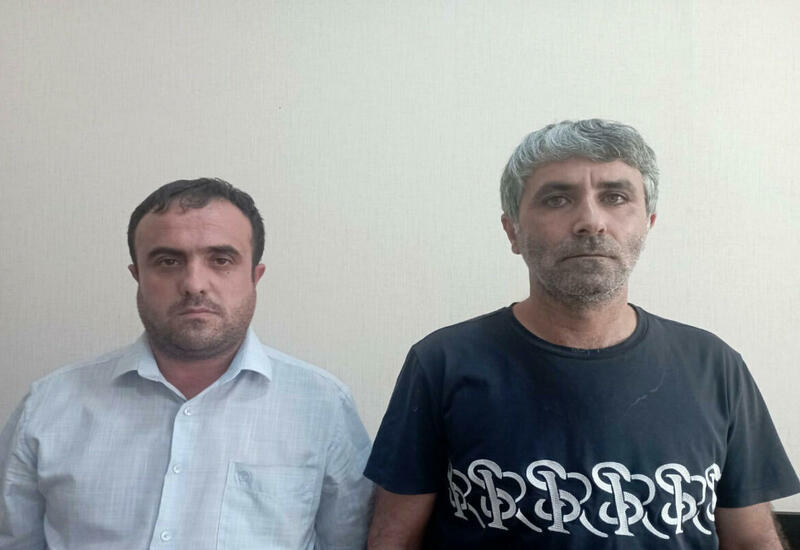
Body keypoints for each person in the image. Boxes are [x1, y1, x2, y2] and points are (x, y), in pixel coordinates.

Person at [364, 120, 800, 549]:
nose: (591, 221)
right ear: (512, 231)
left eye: (615, 197)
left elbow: (751, 539)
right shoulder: (443, 362)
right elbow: (394, 538)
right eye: (557, 199)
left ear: (648, 223)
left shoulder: (713, 366)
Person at [0, 178, 374, 549]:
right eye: (168, 261)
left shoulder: (322, 407)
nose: (194, 284)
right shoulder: (47, 407)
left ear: (255, 276)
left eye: (221, 260)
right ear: (137, 276)